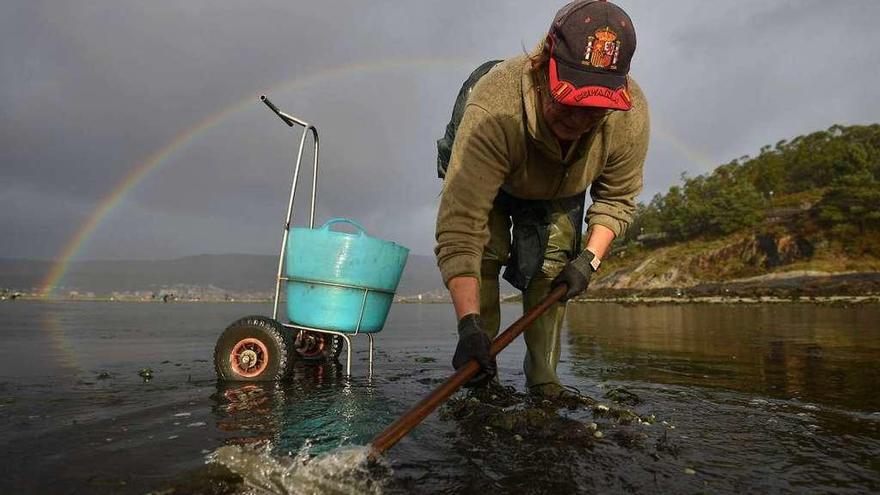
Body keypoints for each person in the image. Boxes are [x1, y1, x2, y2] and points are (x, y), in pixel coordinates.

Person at [434, 0, 649, 400]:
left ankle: (544, 380)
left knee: (554, 267)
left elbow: (616, 198)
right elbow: (461, 227)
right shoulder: (493, 109)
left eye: (595, 109)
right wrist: (468, 325)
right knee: (485, 252)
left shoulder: (629, 116)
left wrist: (588, 260)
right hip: (494, 172)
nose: (580, 119)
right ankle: (481, 370)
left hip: (561, 183)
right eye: (570, 101)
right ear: (544, 63)